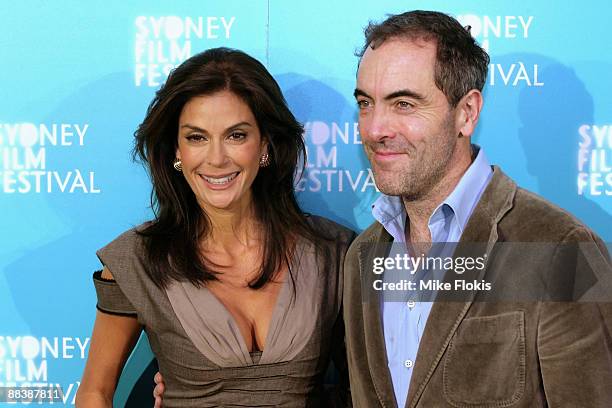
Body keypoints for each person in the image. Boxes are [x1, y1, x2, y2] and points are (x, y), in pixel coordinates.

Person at [344, 10, 612, 407]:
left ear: (466, 113)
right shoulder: (361, 258)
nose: (375, 128)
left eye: (403, 104)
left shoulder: (562, 250)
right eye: (366, 103)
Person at [76, 47, 354, 408]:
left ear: (265, 144)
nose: (217, 158)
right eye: (197, 137)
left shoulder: (334, 251)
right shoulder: (137, 260)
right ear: (177, 150)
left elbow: (365, 387)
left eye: (236, 135)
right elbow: (94, 392)